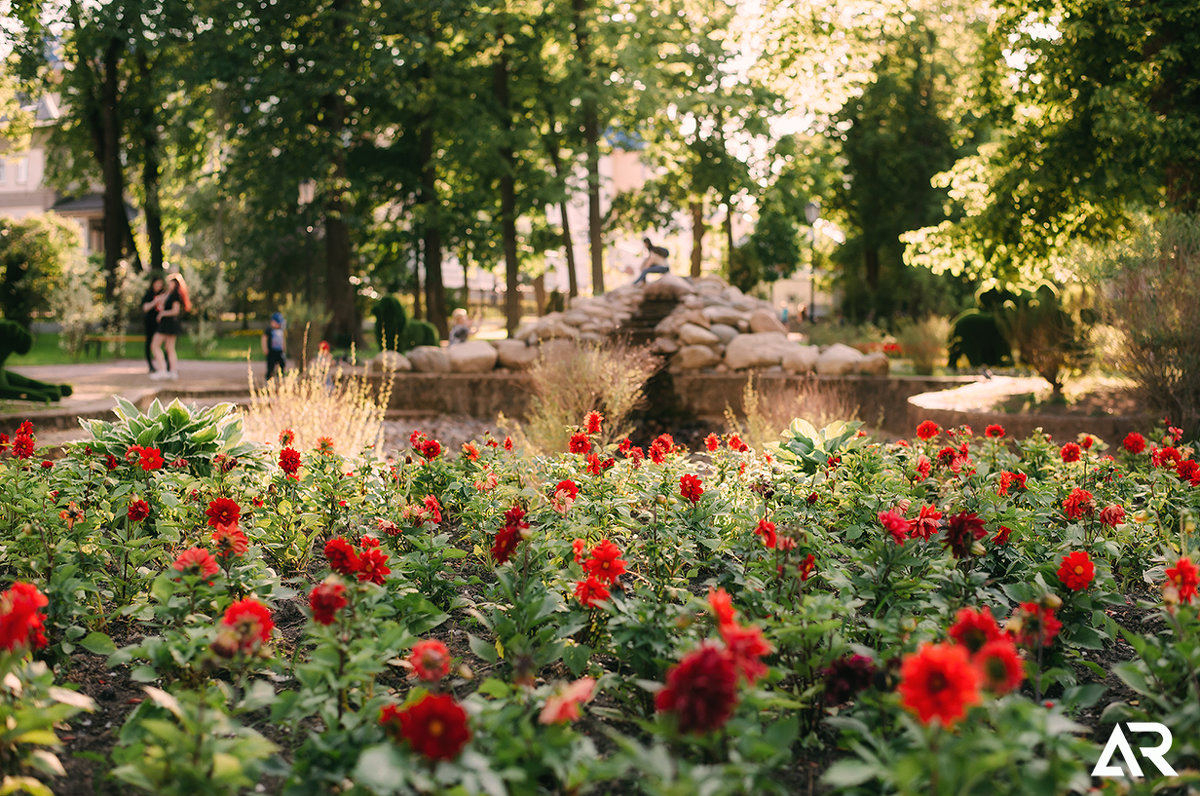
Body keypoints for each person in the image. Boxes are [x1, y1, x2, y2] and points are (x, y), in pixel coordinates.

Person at [149, 273, 192, 381]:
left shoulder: (175, 295)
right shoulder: (171, 294)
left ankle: (164, 370)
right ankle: (171, 372)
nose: (168, 285)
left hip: (168, 324)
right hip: (169, 324)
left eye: (170, 283)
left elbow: (175, 311)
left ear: (174, 283)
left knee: (155, 345)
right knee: (169, 348)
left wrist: (162, 314)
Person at [141, 275, 167, 374]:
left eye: (160, 283)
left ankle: (164, 365)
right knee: (150, 344)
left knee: (162, 344)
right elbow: (145, 308)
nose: (159, 285)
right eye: (157, 283)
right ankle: (151, 365)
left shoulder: (164, 294)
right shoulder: (149, 294)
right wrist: (155, 302)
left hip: (161, 323)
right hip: (150, 322)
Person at [262, 312, 287, 380]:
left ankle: (281, 377)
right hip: (271, 352)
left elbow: (283, 339)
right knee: (270, 366)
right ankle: (268, 379)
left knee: (282, 364)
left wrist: (284, 347)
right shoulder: (269, 330)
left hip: (279, 351)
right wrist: (265, 348)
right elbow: (264, 339)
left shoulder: (281, 330)